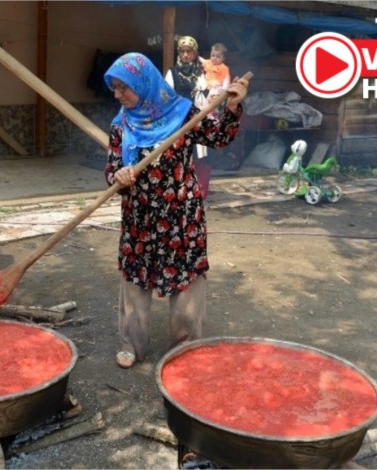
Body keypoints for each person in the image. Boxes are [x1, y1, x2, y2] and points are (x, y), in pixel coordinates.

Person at [103, 52, 248, 368]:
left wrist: (232, 105)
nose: (118, 95)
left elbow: (218, 135)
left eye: (123, 88)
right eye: (114, 88)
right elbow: (112, 166)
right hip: (139, 218)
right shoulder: (122, 124)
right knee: (135, 281)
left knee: (186, 284)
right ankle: (131, 343)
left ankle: (185, 349)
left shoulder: (183, 114)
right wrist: (118, 174)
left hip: (181, 215)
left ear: (143, 84)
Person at [164, 36, 212, 199]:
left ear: (194, 53)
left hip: (196, 118)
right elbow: (167, 96)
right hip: (178, 120)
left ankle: (198, 191)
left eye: (189, 52)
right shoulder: (172, 72)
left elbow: (206, 92)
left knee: (198, 156)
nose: (185, 55)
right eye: (183, 51)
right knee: (176, 154)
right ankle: (176, 189)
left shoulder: (200, 72)